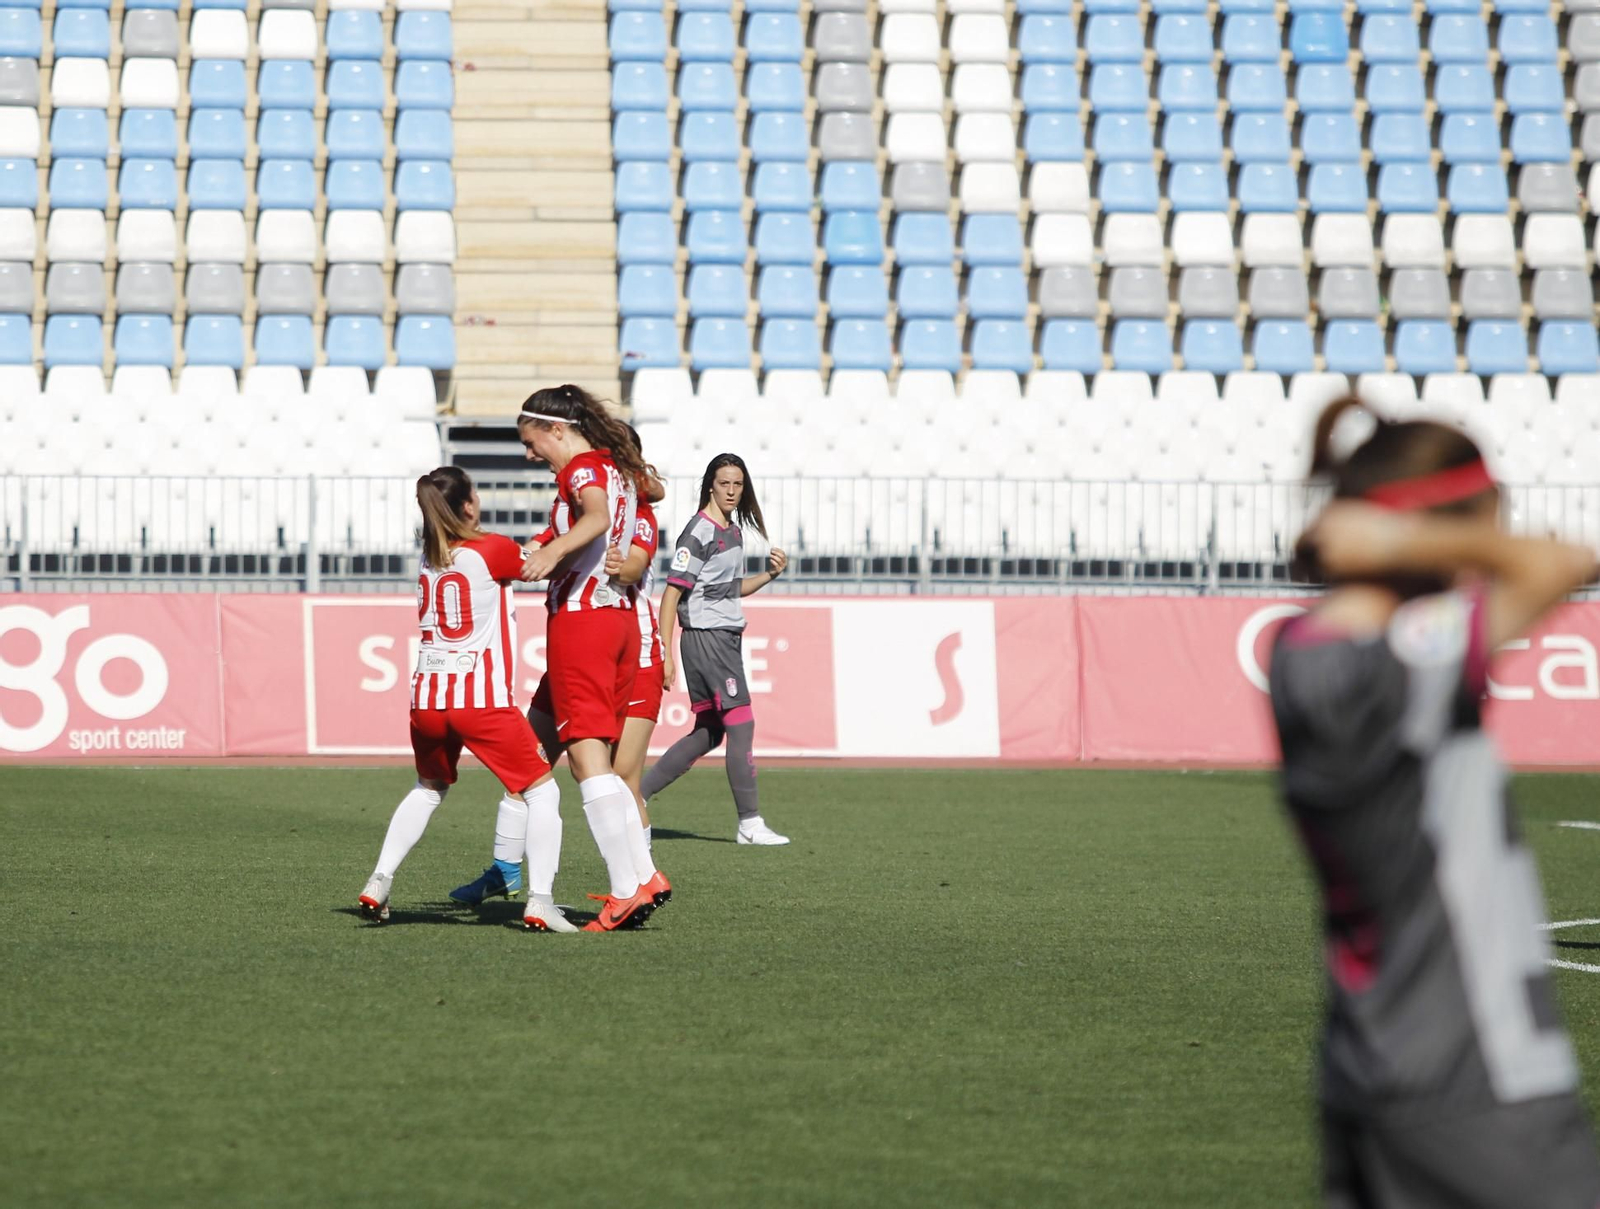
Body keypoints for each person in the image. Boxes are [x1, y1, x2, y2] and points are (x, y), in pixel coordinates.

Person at [1270, 396, 1600, 1208]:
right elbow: (1562, 561)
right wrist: (1403, 537)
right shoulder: (1387, 667)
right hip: (1475, 1074)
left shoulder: (1303, 649)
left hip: (1368, 1065)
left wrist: (1394, 537)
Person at [450, 425, 672, 913]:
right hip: (578, 650)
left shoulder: (636, 512)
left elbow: (633, 565)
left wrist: (610, 564)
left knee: (619, 775)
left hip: (629, 654)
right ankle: (505, 867)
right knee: (528, 759)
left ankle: (642, 878)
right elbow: (549, 541)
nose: (532, 455)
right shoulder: (578, 500)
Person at [357, 466, 573, 932]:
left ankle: (380, 879)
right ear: (469, 505)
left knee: (428, 789)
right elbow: (542, 564)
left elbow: (523, 554)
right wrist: (566, 532)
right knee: (543, 790)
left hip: (427, 698)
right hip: (478, 697)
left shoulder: (430, 556)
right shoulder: (490, 548)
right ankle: (541, 900)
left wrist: (542, 539)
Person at [512, 385, 667, 932]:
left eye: (532, 442)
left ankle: (626, 889)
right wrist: (546, 547)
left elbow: (596, 518)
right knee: (592, 759)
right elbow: (646, 495)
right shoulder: (615, 466)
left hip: (584, 621)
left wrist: (553, 551)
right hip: (618, 620)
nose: (530, 455)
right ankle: (643, 874)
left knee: (585, 757)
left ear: (556, 429)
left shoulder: (581, 468)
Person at [641, 453, 790, 845]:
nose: (732, 491)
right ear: (711, 485)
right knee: (742, 723)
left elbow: (730, 589)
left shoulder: (732, 531)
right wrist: (666, 653)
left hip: (722, 638)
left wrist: (770, 574)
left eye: (738, 484)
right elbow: (672, 596)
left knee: (709, 732)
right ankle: (750, 824)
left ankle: (634, 797)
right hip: (708, 639)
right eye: (724, 483)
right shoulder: (699, 532)